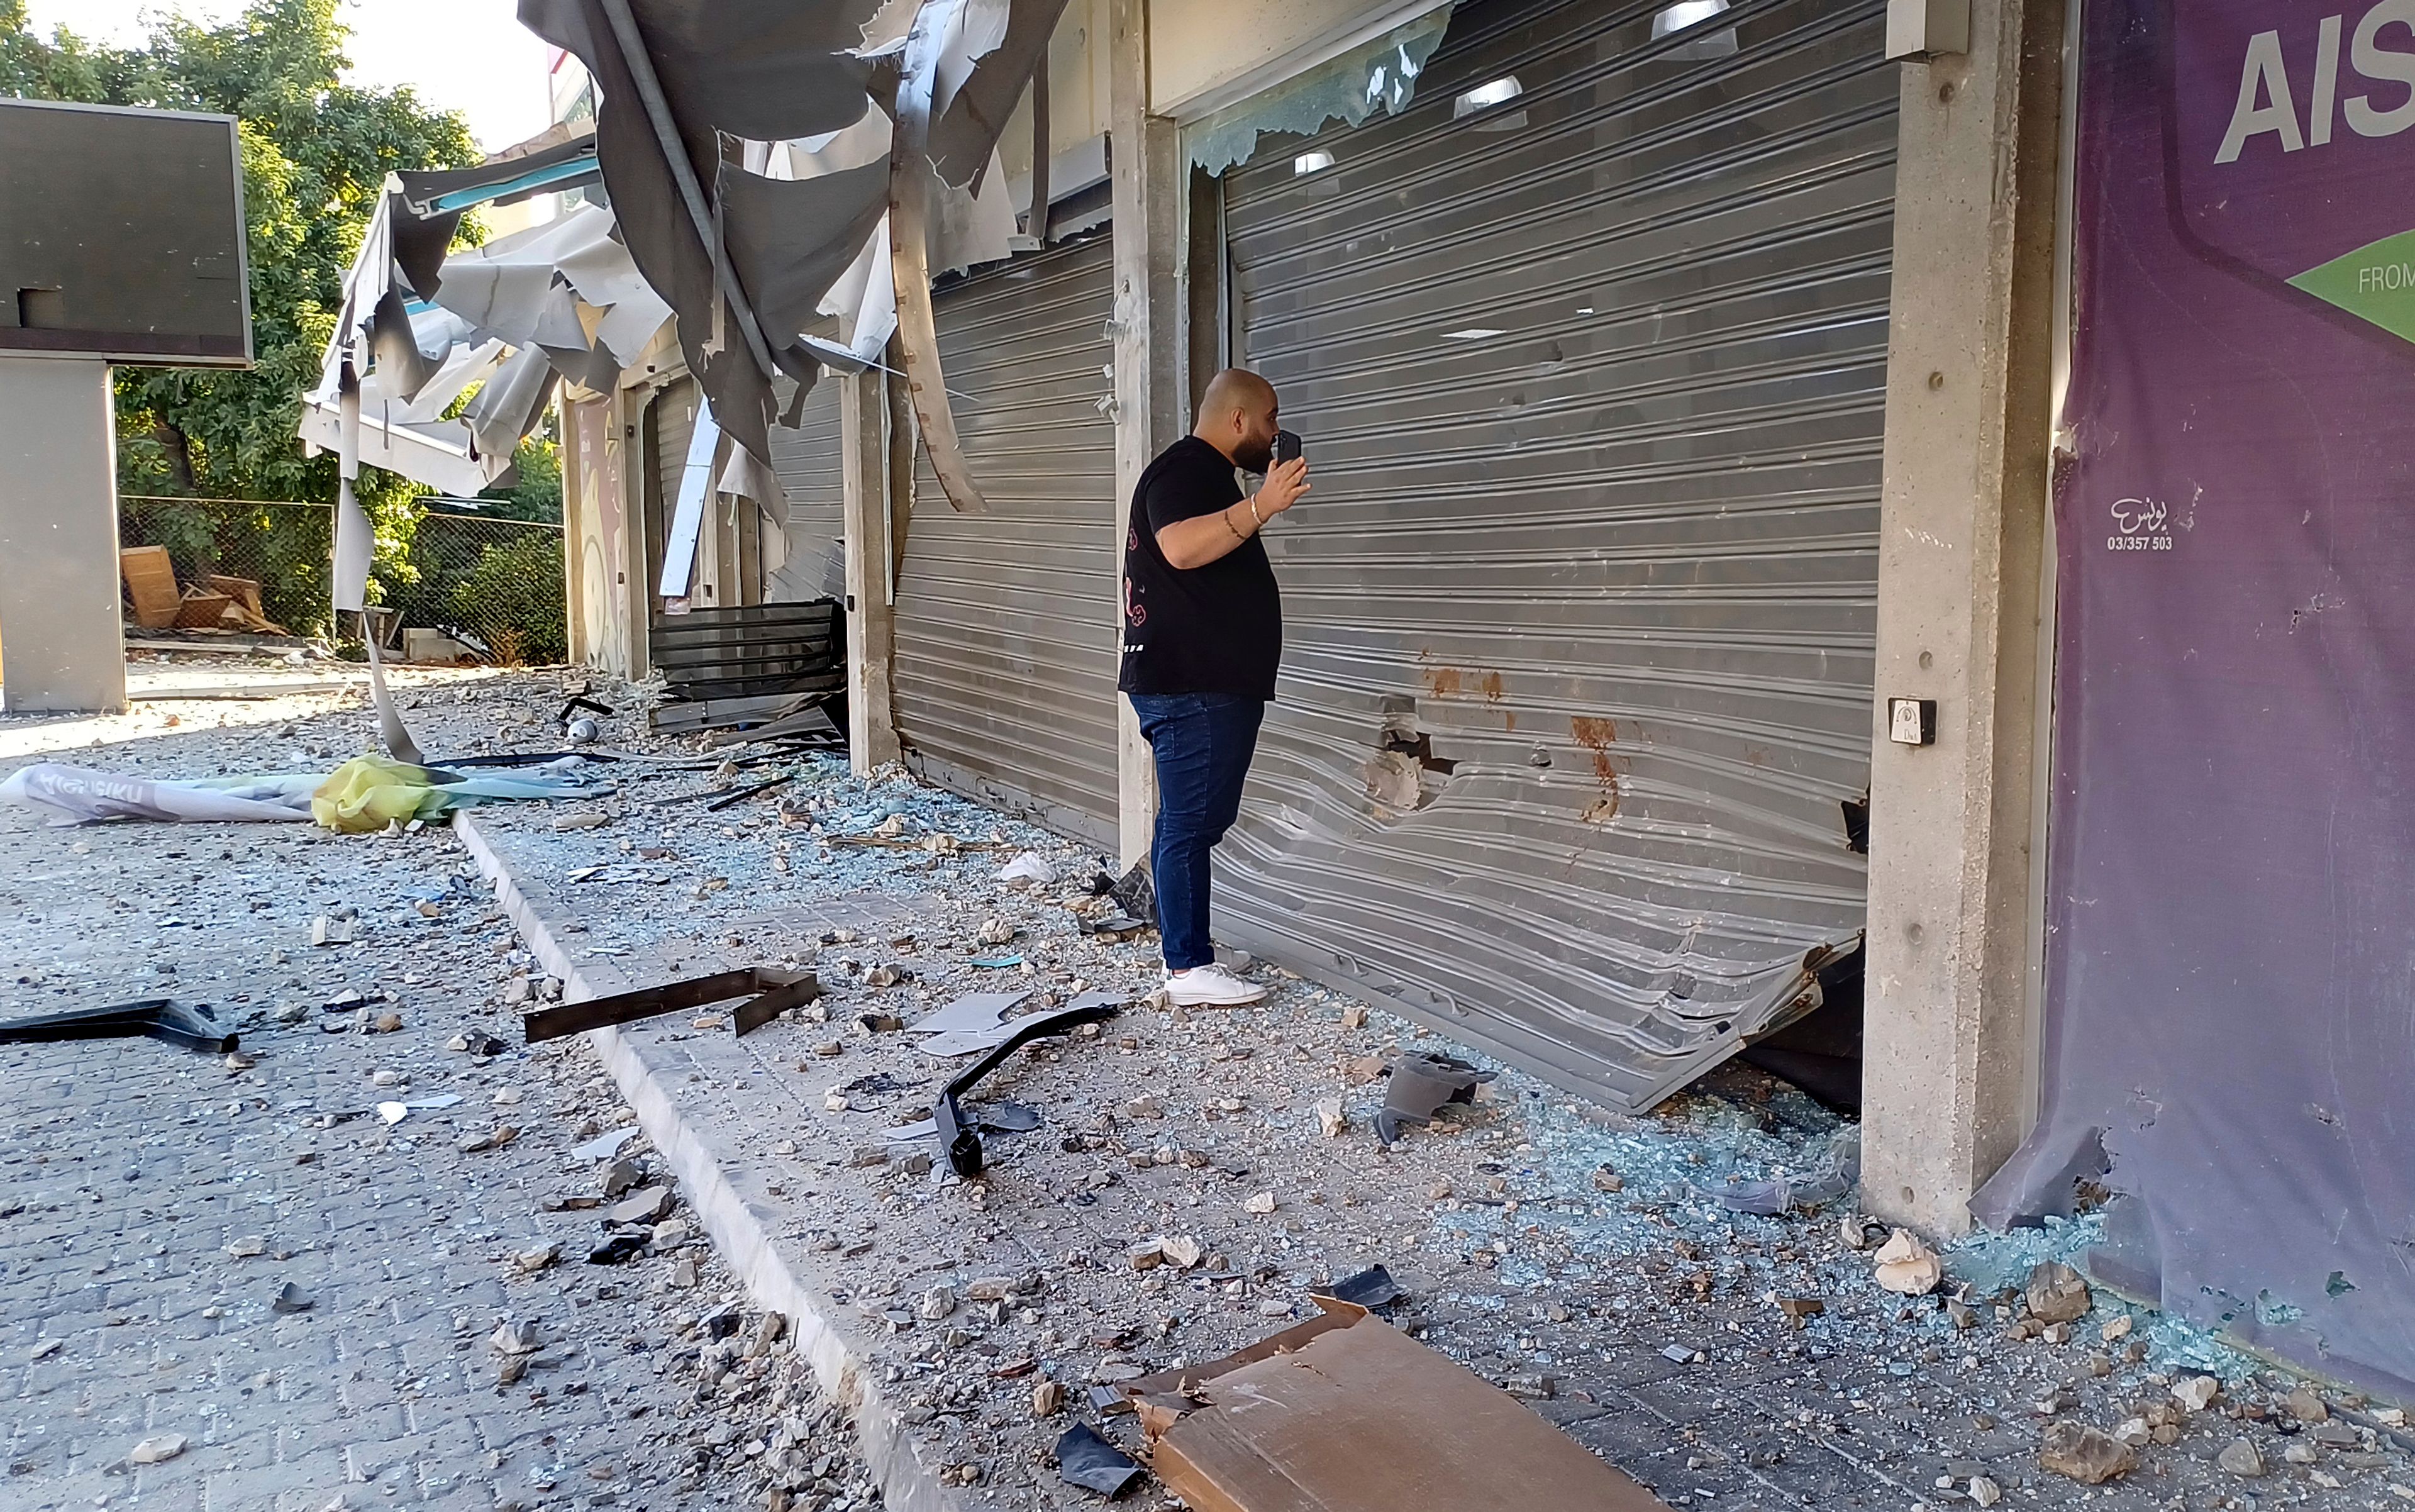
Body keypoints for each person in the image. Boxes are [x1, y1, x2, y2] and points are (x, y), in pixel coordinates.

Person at [1118, 368, 1310, 1007]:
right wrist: (1262, 507)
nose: (1274, 433)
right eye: (1270, 419)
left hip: (1195, 684)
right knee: (1192, 825)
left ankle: (1185, 948)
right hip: (1193, 686)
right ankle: (1188, 967)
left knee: (1186, 819)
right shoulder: (1187, 472)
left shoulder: (1200, 475)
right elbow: (1177, 547)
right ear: (1238, 420)